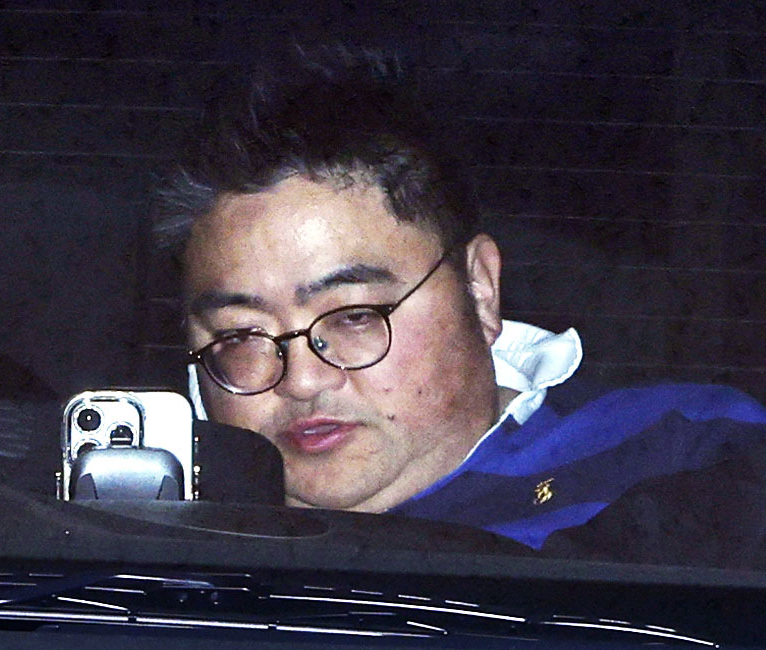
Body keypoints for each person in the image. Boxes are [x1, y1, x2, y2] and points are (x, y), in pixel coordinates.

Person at [154, 46, 766, 550]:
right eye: (241, 336)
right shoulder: (157, 541)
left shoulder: (688, 454)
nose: (302, 380)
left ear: (479, 289)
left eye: (354, 317)